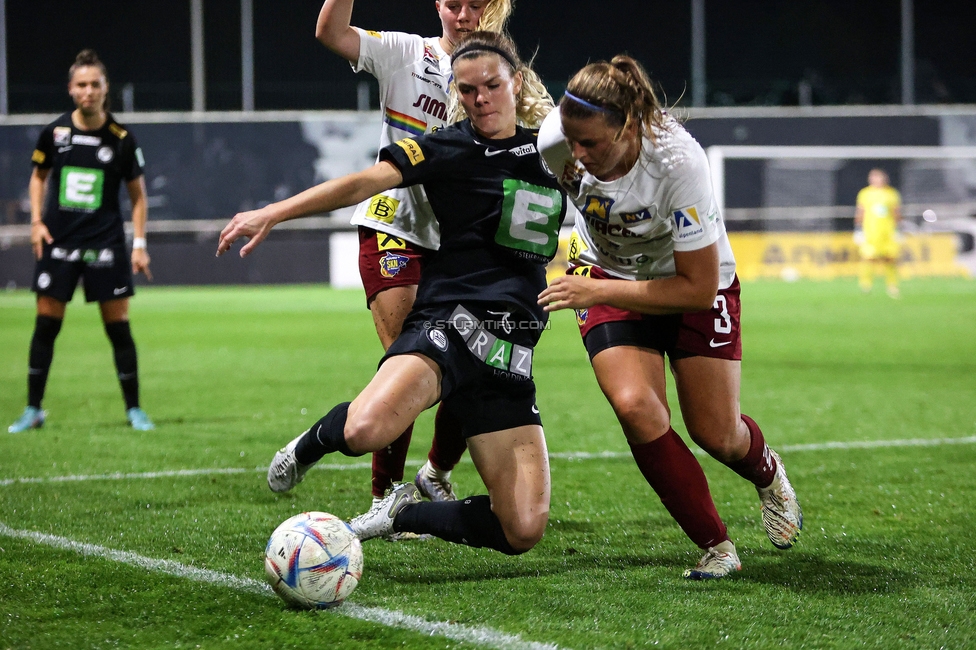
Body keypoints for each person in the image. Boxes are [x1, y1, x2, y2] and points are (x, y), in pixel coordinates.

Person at [219, 32, 562, 555]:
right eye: (467, 91)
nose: (481, 99)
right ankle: (310, 443)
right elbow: (362, 183)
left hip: (510, 350)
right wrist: (274, 212)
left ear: (515, 83)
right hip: (450, 324)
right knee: (365, 431)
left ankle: (405, 512)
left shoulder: (557, 152)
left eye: (492, 85)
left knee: (522, 529)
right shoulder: (448, 146)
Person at [536, 56, 802, 579]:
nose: (580, 156)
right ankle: (716, 546)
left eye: (593, 144)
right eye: (574, 142)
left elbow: (698, 289)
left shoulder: (680, 163)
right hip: (605, 271)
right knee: (636, 406)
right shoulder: (557, 138)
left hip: (690, 282)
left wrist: (599, 289)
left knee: (717, 434)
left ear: (628, 126)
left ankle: (769, 474)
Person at [313, 0, 516, 512]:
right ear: (437, 5)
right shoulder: (406, 53)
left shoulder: (500, 75)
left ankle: (436, 472)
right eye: (453, 3)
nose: (463, 14)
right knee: (406, 359)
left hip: (459, 239)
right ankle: (384, 495)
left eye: (477, 5)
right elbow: (331, 31)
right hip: (395, 227)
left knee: (472, 361)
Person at [8, 49, 155, 434]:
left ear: (106, 90)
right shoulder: (55, 134)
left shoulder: (121, 139)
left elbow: (139, 197)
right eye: (81, 85)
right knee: (45, 326)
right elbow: (38, 177)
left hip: (105, 244)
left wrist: (139, 243)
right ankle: (33, 409)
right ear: (71, 90)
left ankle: (135, 410)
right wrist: (36, 222)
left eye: (95, 84)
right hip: (58, 243)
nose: (88, 91)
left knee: (118, 328)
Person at [855, 168, 902, 298]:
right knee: (868, 258)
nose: (876, 180)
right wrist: (858, 230)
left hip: (887, 232)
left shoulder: (891, 193)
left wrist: (899, 229)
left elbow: (896, 213)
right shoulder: (865, 193)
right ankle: (866, 285)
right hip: (870, 233)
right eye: (873, 177)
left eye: (878, 177)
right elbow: (860, 212)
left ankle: (892, 286)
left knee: (890, 259)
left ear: (884, 179)